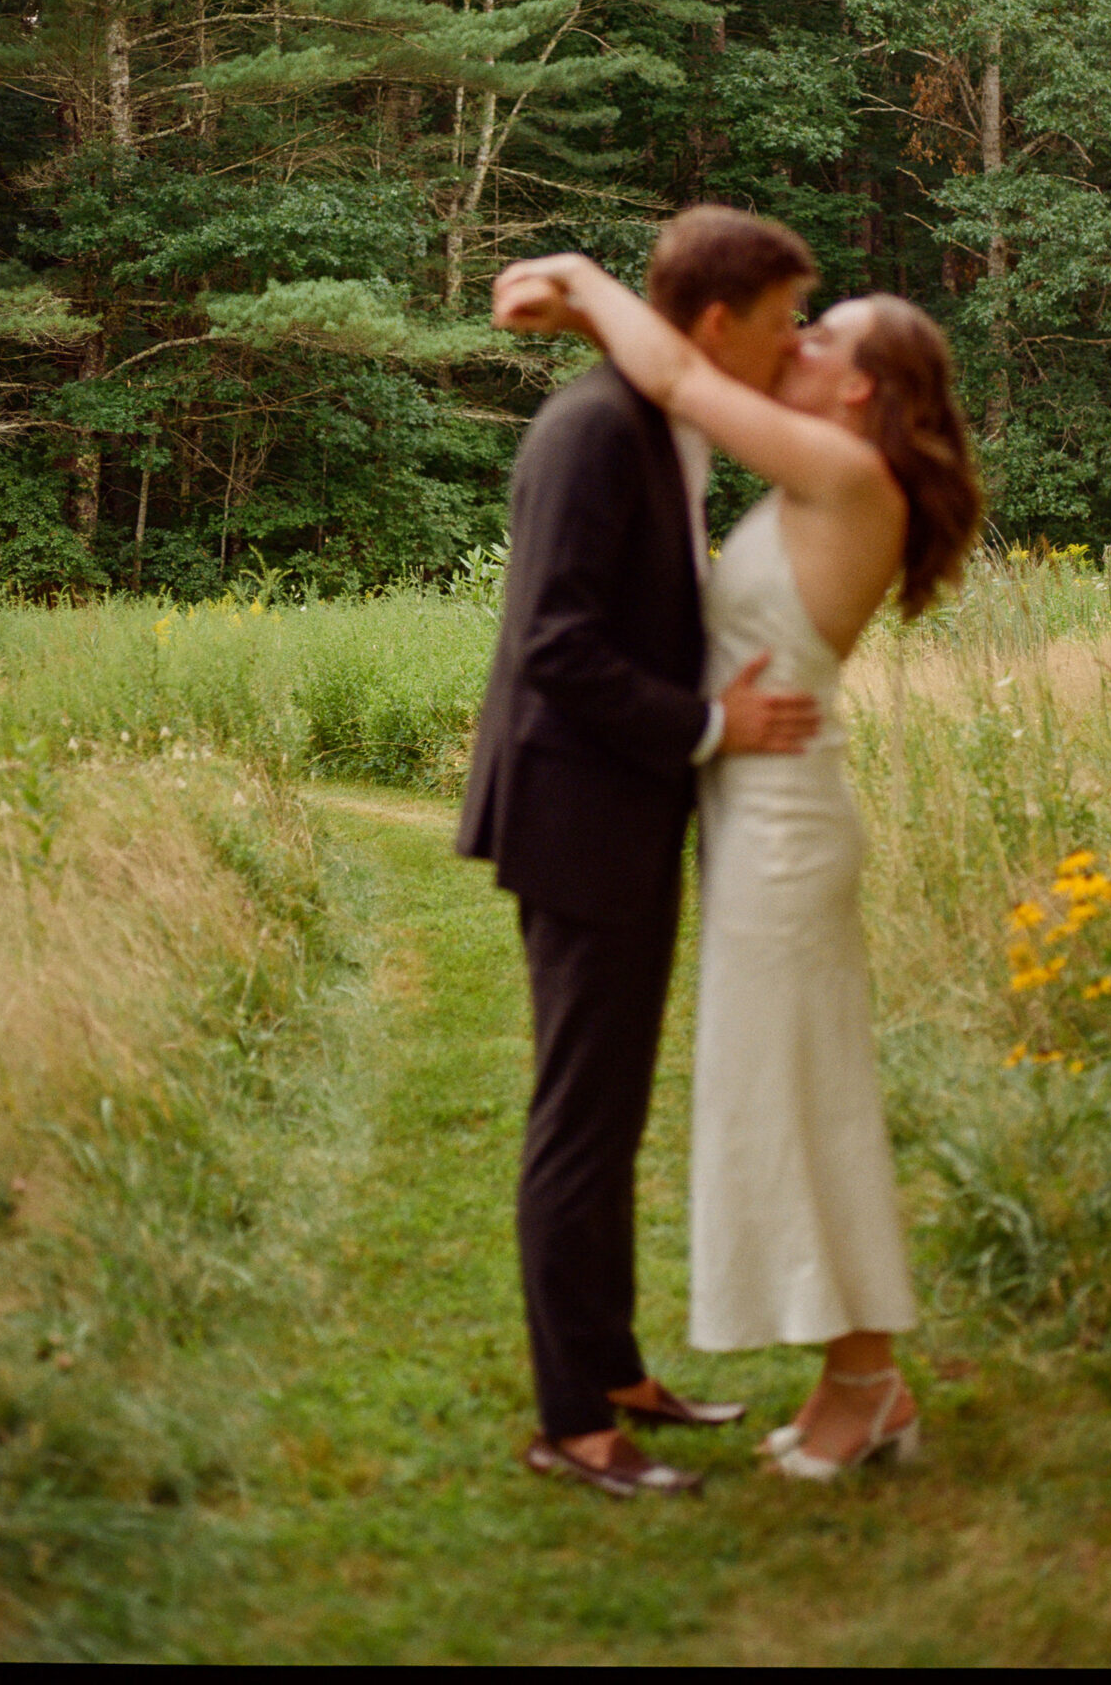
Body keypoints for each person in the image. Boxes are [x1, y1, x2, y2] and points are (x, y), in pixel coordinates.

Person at [492, 245, 980, 1480]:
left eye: (826, 336)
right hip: (750, 818)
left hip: (781, 831)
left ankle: (864, 1385)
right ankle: (856, 1380)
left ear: (864, 389)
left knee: (804, 1111)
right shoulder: (814, 476)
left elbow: (676, 368)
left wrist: (582, 285)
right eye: (792, 322)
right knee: (794, 1105)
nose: (801, 339)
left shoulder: (842, 468)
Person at [457, 206, 826, 1499]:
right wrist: (715, 726)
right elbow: (552, 643)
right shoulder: (592, 429)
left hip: (620, 811)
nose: (793, 344)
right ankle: (573, 1423)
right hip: (574, 816)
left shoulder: (665, 418)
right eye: (783, 319)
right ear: (715, 321)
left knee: (609, 1115)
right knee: (577, 1120)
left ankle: (613, 1373)